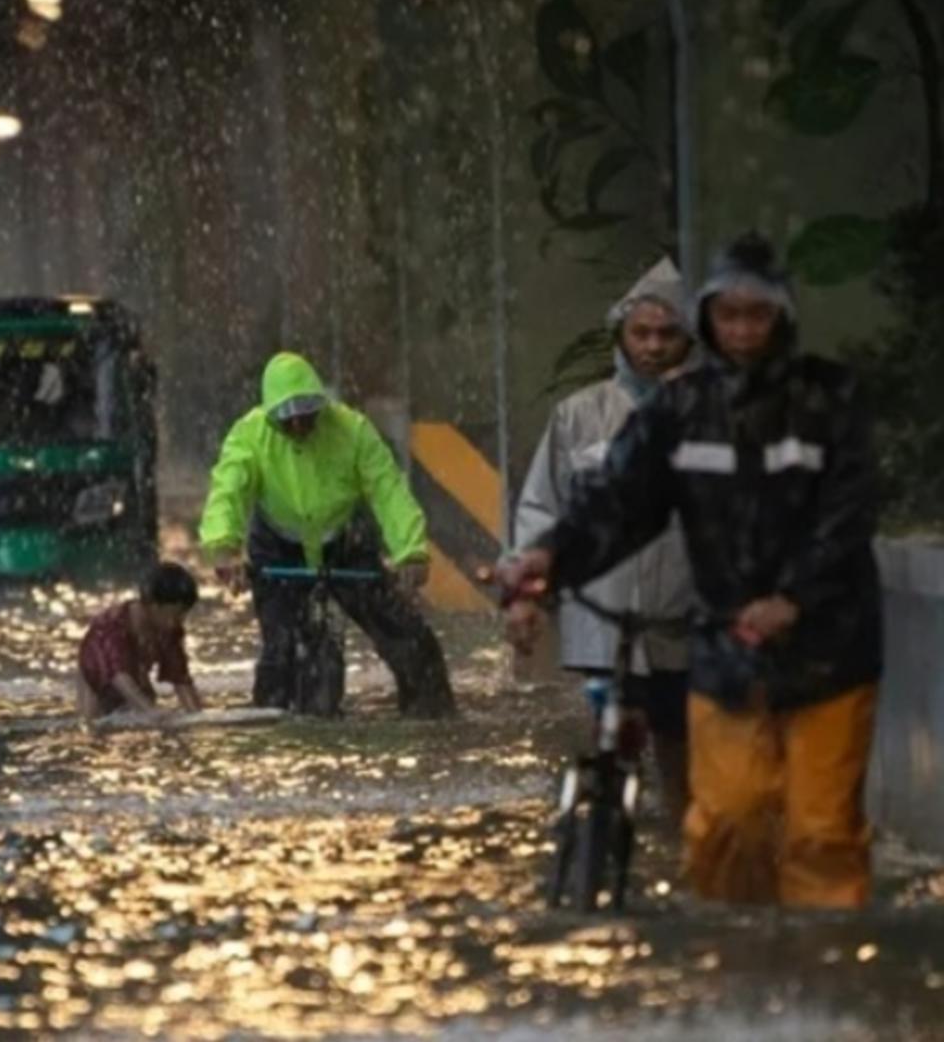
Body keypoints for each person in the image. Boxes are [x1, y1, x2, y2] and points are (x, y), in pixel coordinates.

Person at [498, 232, 882, 909]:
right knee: (724, 825)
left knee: (820, 832)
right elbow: (619, 499)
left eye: (756, 316)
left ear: (782, 319)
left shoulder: (828, 400)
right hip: (727, 647)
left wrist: (794, 598)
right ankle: (740, 962)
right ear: (709, 320)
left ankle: (824, 974)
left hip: (828, 651)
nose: (741, 331)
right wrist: (549, 558)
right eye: (728, 316)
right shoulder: (681, 410)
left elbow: (848, 514)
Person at [513, 258, 697, 823]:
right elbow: (543, 506)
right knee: (608, 728)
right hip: (606, 612)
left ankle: (678, 839)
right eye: (641, 333)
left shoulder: (713, 412)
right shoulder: (579, 416)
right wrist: (528, 589)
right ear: (620, 336)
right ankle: (605, 830)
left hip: (686, 612)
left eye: (667, 334)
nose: (653, 346)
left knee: (680, 744)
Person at [200, 351, 455, 718]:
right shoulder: (249, 436)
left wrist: (410, 551)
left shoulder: (353, 431)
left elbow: (388, 491)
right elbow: (229, 490)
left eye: (308, 416)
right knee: (282, 650)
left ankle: (432, 716)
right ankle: (273, 722)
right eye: (289, 420)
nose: (301, 427)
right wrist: (224, 547)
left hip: (346, 544)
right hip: (278, 549)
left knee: (410, 638)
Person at [76, 562, 204, 721]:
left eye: (183, 616)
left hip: (136, 673)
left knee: (145, 715)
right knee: (93, 722)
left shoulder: (168, 628)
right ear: (153, 605)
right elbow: (118, 676)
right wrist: (151, 711)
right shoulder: (112, 627)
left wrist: (198, 718)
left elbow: (181, 677)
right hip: (96, 676)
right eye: (176, 615)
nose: (178, 622)